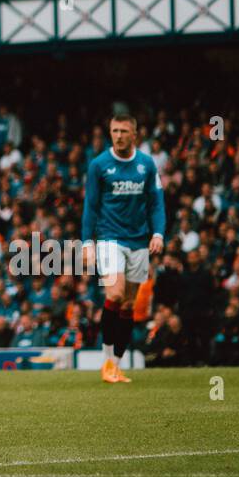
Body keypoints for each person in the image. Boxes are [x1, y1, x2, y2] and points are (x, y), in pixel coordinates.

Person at [81, 110, 165, 384]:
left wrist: (159, 234)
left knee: (129, 305)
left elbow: (156, 203)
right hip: (109, 238)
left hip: (139, 240)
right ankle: (106, 360)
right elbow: (90, 206)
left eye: (123, 131)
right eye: (114, 131)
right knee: (115, 294)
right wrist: (87, 242)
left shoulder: (146, 164)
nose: (118, 136)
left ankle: (115, 365)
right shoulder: (99, 165)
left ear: (134, 135)